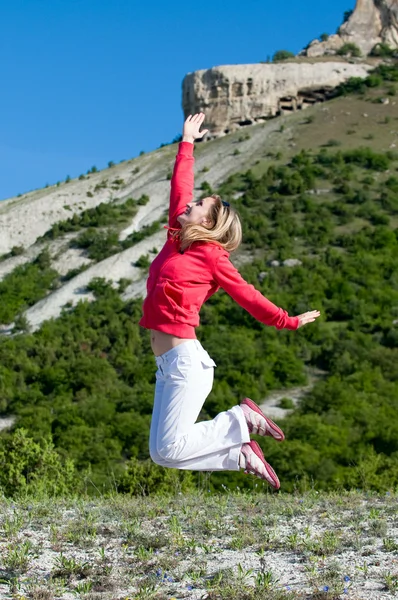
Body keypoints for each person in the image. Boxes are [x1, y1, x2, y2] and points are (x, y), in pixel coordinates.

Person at [139, 113, 321, 489]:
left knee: (169, 448)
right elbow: (179, 188)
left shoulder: (211, 256)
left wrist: (287, 320)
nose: (190, 203)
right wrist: (187, 143)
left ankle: (240, 420)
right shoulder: (177, 239)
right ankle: (239, 453)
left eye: (199, 204)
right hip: (168, 365)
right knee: (162, 453)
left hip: (186, 363)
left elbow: (247, 295)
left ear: (208, 223)